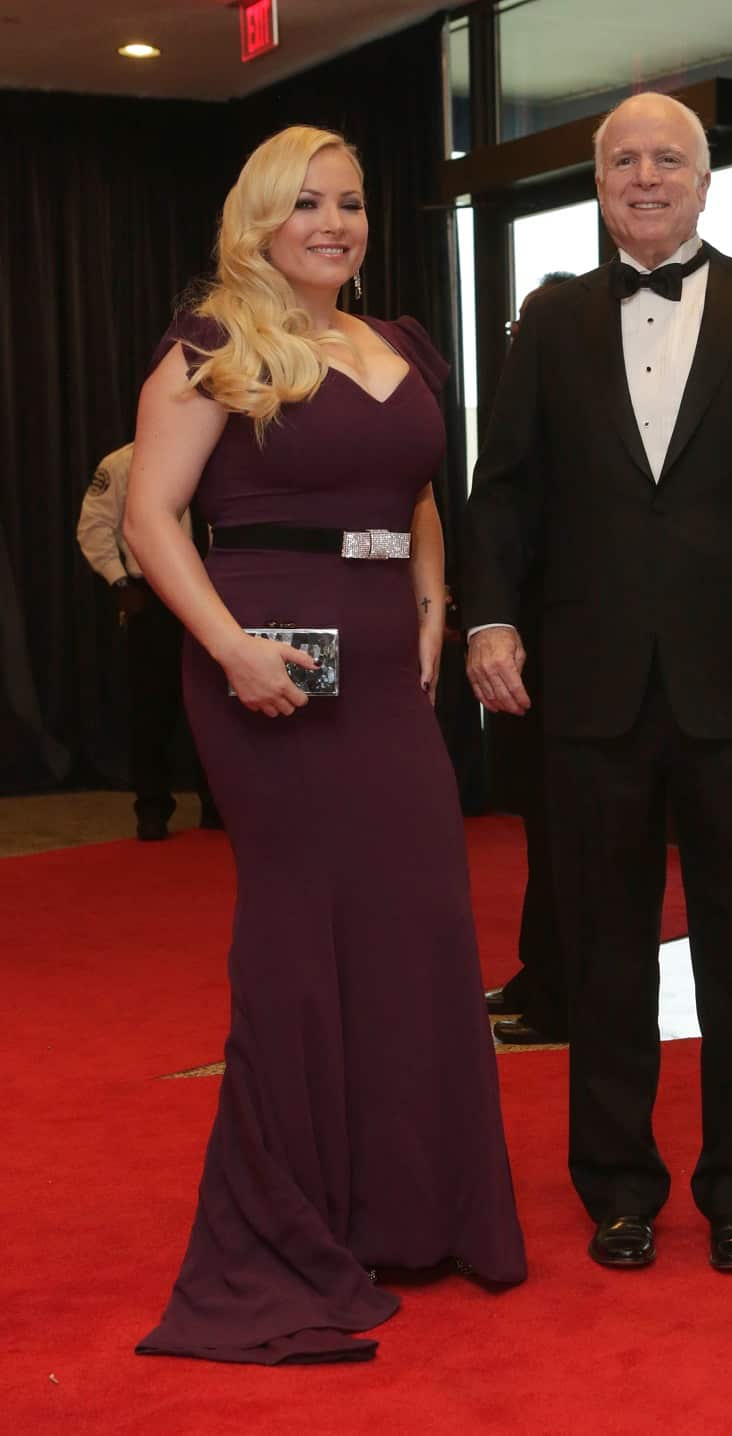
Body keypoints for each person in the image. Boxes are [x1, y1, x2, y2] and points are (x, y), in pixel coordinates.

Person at [125, 125, 525, 1366]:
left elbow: (413, 493)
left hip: (384, 667)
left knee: (421, 922)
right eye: (307, 203)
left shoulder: (398, 342)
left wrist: (430, 603)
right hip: (267, 667)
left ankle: (414, 1208)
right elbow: (151, 517)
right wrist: (235, 649)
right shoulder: (210, 345)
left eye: (350, 202)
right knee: (302, 938)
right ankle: (292, 1223)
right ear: (259, 219)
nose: (334, 222)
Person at [464, 92, 732, 1274]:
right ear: (598, 182)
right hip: (588, 692)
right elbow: (506, 490)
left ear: (704, 180)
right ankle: (618, 1187)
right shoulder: (548, 319)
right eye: (624, 159)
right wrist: (489, 613)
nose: (646, 176)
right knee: (603, 953)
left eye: (669, 159)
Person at [484, 272, 575, 1046]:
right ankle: (538, 970)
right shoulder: (531, 423)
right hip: (529, 653)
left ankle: (558, 990)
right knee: (544, 829)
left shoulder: (578, 429)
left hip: (571, 655)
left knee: (566, 832)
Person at [76, 443, 220, 839]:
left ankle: (216, 804)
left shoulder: (219, 456)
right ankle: (153, 808)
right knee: (152, 707)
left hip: (216, 592)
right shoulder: (123, 462)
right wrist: (118, 580)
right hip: (153, 597)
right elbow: (94, 526)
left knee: (217, 703)